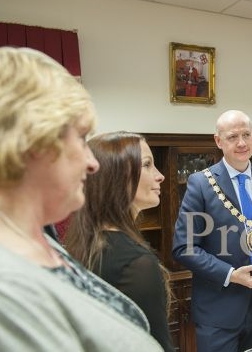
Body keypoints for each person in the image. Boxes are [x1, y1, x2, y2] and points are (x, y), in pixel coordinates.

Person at [0, 47, 161, 351]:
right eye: (81, 138)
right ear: (33, 140)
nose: (92, 164)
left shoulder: (43, 238)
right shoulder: (1, 281)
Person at [172, 110, 252, 352]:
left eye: (246, 135)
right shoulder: (201, 183)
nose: (241, 143)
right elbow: (184, 247)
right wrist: (230, 274)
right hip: (217, 312)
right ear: (218, 141)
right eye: (232, 137)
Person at [65, 131, 174, 352]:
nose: (160, 175)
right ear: (118, 177)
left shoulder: (85, 243)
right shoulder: (136, 264)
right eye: (147, 165)